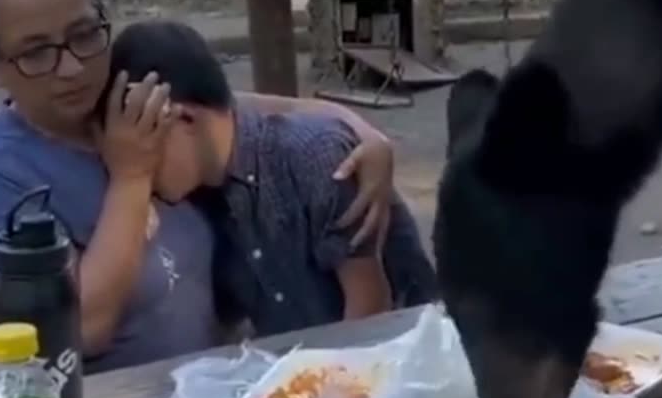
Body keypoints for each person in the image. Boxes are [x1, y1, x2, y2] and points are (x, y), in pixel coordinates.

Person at [0, 0, 402, 373]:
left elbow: (235, 111)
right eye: (36, 52)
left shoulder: (123, 96)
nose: (72, 68)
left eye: (84, 34)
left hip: (217, 397)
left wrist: (365, 136)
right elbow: (82, 329)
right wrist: (132, 179)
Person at [99, 20, 439, 337]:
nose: (137, 164)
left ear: (183, 118)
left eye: (144, 143)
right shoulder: (200, 197)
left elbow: (369, 309)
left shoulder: (316, 158)